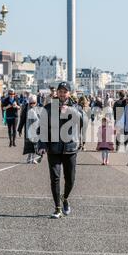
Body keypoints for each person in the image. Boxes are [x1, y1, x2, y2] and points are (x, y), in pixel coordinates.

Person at [37, 82, 83, 219]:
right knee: (55, 178)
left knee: (70, 179)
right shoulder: (49, 107)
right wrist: (42, 145)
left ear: (70, 93)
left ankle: (65, 198)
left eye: (65, 91)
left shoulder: (76, 107)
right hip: (53, 148)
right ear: (57, 92)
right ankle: (57, 208)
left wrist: (69, 110)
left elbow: (83, 121)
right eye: (60, 91)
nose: (62, 94)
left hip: (70, 148)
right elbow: (42, 128)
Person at [18, 95, 41, 164]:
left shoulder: (39, 108)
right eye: (30, 103)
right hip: (28, 130)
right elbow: (22, 119)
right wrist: (20, 129)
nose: (32, 104)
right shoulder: (25, 108)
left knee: (35, 144)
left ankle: (33, 158)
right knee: (29, 144)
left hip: (37, 129)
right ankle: (29, 157)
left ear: (36, 102)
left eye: (33, 103)